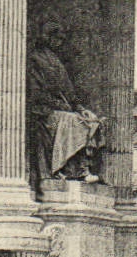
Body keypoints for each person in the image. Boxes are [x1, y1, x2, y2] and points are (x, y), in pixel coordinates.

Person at [27, 26, 105, 187]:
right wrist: (61, 105)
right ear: (48, 38)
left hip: (60, 109)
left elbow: (69, 93)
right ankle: (76, 170)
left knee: (93, 121)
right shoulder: (35, 59)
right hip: (43, 110)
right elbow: (36, 93)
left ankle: (81, 167)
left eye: (61, 40)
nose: (59, 43)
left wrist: (81, 109)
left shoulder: (56, 61)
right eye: (57, 39)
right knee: (74, 122)